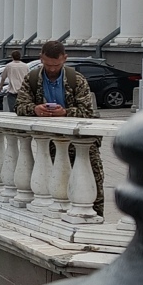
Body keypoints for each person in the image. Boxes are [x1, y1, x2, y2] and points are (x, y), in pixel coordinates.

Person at [16, 41, 104, 214]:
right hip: (52, 144)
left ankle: (96, 218)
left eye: (56, 65)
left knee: (92, 184)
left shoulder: (76, 79)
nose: (52, 69)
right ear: (41, 58)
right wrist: (35, 109)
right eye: (47, 64)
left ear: (65, 59)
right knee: (56, 185)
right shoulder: (32, 78)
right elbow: (19, 106)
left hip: (82, 143)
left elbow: (87, 111)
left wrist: (64, 113)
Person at [0, 48, 29, 113]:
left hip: (12, 90)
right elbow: (28, 77)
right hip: (23, 90)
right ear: (20, 56)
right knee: (22, 109)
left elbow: (3, 77)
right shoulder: (25, 66)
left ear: (12, 57)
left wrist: (1, 87)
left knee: (12, 110)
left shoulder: (9, 66)